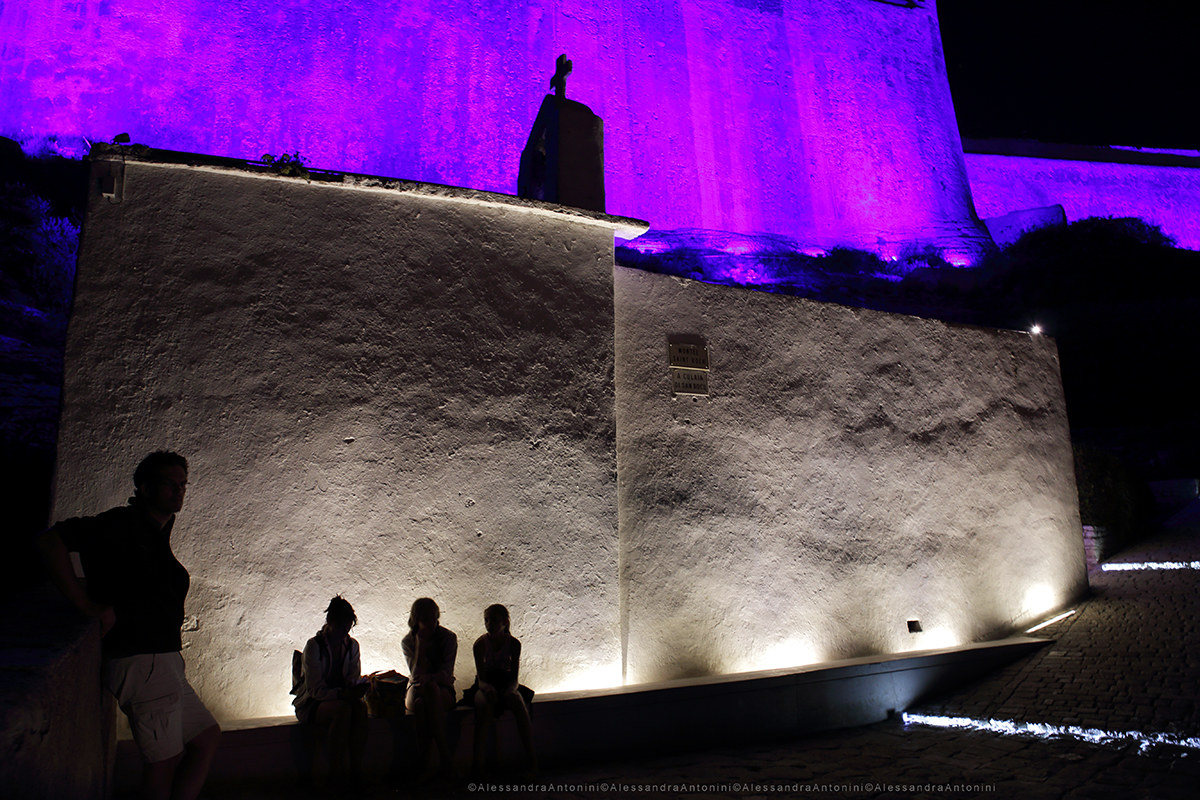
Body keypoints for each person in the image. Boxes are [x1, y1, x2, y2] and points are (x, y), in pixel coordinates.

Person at [36, 451, 220, 800]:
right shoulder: (122, 524)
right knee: (162, 766)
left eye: (183, 484)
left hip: (164, 663)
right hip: (141, 659)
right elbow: (50, 541)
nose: (179, 491)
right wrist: (85, 603)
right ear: (145, 487)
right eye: (170, 483)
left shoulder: (156, 532)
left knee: (206, 737)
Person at [293, 595, 369, 789]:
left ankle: (356, 769)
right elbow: (315, 690)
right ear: (330, 623)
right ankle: (335, 772)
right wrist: (342, 695)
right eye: (341, 627)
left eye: (348, 627)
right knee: (342, 710)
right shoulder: (314, 646)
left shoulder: (351, 646)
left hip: (341, 697)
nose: (344, 632)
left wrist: (360, 685)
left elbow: (352, 676)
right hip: (312, 702)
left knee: (360, 709)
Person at [470, 604, 536, 776]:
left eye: (494, 620)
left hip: (505, 683)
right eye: (486, 620)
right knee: (484, 706)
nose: (489, 624)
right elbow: (481, 680)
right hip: (486, 684)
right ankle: (478, 765)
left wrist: (511, 690)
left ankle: (532, 761)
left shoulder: (513, 644)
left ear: (505, 622)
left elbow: (514, 678)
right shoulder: (480, 644)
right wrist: (487, 688)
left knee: (519, 704)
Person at [401, 597, 457, 779]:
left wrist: (430, 678)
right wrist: (420, 645)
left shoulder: (448, 638)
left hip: (441, 690)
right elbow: (415, 674)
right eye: (426, 620)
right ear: (416, 620)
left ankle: (423, 763)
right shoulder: (408, 641)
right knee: (423, 694)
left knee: (421, 704)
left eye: (434, 618)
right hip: (417, 688)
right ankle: (445, 757)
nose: (431, 624)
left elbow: (446, 674)